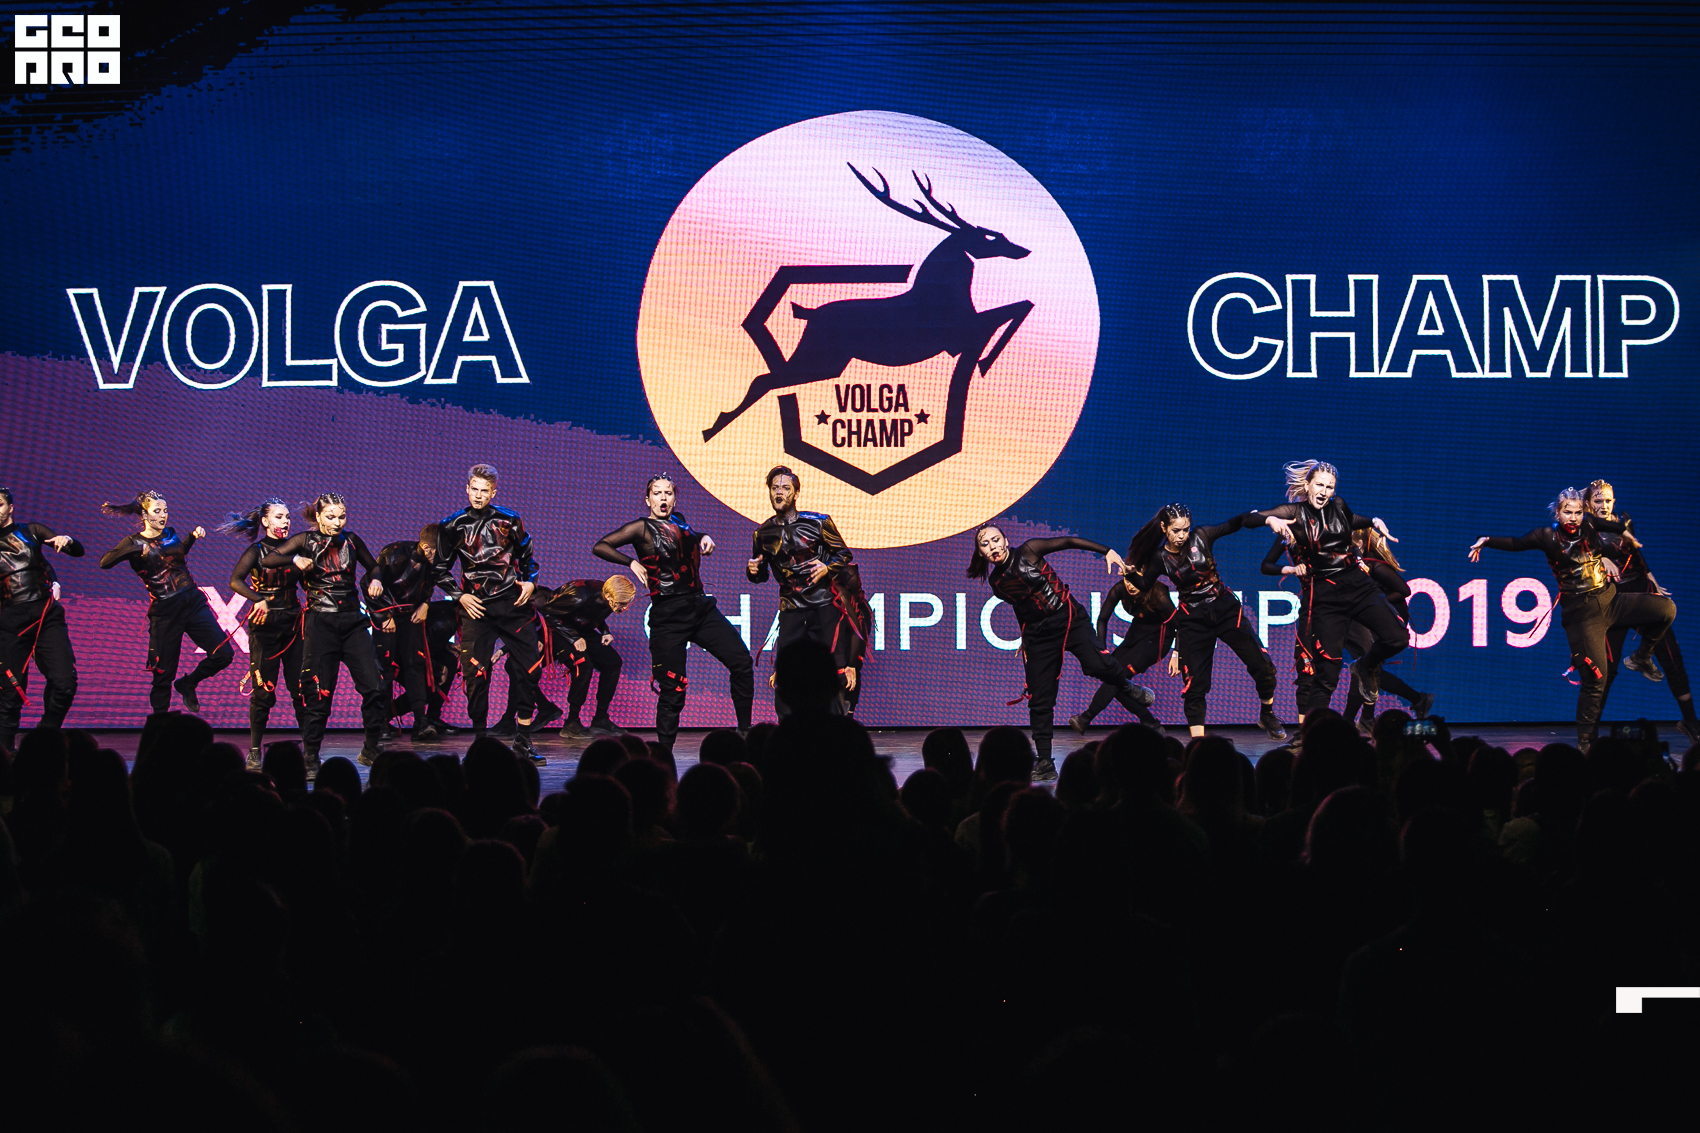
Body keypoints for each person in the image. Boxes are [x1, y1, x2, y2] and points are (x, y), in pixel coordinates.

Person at [1470, 486, 1675, 751]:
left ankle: (1641, 656)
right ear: (1557, 512)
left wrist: (1623, 531)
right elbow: (1516, 543)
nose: (1574, 518)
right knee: (1596, 679)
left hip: (1610, 601)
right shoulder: (1545, 536)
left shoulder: (1588, 524)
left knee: (1666, 610)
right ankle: (1586, 744)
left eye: (1578, 512)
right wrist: (1485, 540)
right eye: (1568, 512)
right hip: (1582, 615)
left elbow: (1606, 524)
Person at [967, 524, 1154, 781]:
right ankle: (1045, 762)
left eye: (996, 540)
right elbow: (1021, 606)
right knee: (1039, 698)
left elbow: (1068, 541)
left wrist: (1107, 551)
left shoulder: (1030, 550)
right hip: (1038, 635)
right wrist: (1025, 637)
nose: (993, 547)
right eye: (985, 544)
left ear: (1006, 541)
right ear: (981, 552)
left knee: (1097, 665)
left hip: (1068, 619)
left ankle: (1126, 685)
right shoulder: (996, 582)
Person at [594, 474, 754, 753]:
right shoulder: (640, 528)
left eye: (668, 493)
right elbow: (601, 546)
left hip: (699, 608)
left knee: (741, 661)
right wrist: (631, 562)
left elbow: (690, 534)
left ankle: (744, 732)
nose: (663, 498)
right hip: (668, 616)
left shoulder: (679, 520)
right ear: (648, 500)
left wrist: (704, 537)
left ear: (675, 498)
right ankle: (664, 754)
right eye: (657, 493)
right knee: (673, 687)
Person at [1250, 461, 1406, 722]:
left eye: (1329, 487)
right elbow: (1264, 556)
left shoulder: (1337, 513)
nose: (1323, 492)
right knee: (1318, 670)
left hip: (1353, 591)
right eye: (1319, 485)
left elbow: (1350, 522)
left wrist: (1373, 522)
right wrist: (1289, 564)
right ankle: (1308, 733)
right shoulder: (1291, 522)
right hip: (1320, 597)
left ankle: (1364, 697)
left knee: (1390, 643)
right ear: (1307, 486)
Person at [1121, 504, 1287, 740]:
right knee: (1194, 685)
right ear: (1164, 528)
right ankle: (1198, 744)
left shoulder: (1201, 536)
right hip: (1193, 620)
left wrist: (1266, 519)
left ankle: (1267, 714)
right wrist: (1129, 573)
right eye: (1176, 531)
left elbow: (1235, 522)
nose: (1181, 536)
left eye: (1185, 530)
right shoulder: (1160, 558)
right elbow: (1145, 584)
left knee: (1264, 666)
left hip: (1225, 610)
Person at [258, 493, 388, 772]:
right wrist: (294, 559)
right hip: (320, 623)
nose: (337, 522)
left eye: (342, 516)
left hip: (352, 622)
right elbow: (268, 560)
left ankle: (371, 749)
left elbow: (374, 565)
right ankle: (310, 757)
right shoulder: (304, 541)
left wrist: (376, 578)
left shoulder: (352, 541)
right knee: (318, 692)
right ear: (318, 517)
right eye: (330, 517)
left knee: (375, 686)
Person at [1261, 528, 1433, 734]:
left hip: (1357, 610)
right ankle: (1321, 730)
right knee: (1321, 669)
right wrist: (1290, 567)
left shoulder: (1367, 562)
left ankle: (1358, 719)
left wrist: (1372, 604)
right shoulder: (1292, 533)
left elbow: (1402, 590)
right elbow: (1267, 562)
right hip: (1327, 608)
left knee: (1368, 666)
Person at [431, 463, 546, 765]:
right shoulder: (452, 525)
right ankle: (480, 741)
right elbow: (439, 569)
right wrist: (460, 595)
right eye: (475, 489)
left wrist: (531, 583)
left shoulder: (510, 520)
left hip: (512, 604)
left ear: (494, 492)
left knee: (531, 669)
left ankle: (523, 739)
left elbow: (528, 559)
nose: (479, 495)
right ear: (467, 489)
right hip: (477, 607)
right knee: (476, 674)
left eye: (485, 491)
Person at [99, 490, 234, 715]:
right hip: (165, 612)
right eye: (157, 511)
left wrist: (192, 536)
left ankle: (188, 683)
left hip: (193, 603)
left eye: (165, 511)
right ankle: (160, 724)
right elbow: (105, 562)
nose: (163, 516)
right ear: (144, 514)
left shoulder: (170, 533)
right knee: (163, 674)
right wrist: (134, 548)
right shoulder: (133, 542)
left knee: (224, 654)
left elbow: (178, 555)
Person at [1586, 479, 1698, 744]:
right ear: (1589, 504)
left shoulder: (1623, 520)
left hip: (1640, 590)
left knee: (1671, 655)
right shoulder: (1585, 526)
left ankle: (1691, 722)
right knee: (1607, 669)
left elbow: (1635, 554)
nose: (1604, 505)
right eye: (1598, 500)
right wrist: (1600, 558)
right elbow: (1577, 554)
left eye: (1608, 500)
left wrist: (1650, 577)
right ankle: (1589, 734)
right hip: (1613, 599)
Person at [746, 465, 860, 715]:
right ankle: (788, 730)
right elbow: (761, 575)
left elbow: (844, 554)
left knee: (832, 671)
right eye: (775, 488)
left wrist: (827, 568)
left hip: (823, 606)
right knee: (786, 672)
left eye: (785, 488)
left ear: (796, 493)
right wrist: (753, 571)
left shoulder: (818, 523)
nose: (779, 492)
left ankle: (834, 729)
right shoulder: (762, 533)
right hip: (791, 608)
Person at [220, 498, 306, 769]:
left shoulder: (296, 549)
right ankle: (255, 749)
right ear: (266, 521)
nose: (286, 522)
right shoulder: (256, 551)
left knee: (301, 689)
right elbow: (235, 580)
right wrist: (258, 599)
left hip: (294, 625)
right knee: (263, 691)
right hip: (264, 628)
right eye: (279, 517)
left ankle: (310, 750)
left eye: (288, 517)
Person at [0, 488, 83, 751]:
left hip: (46, 616)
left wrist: (67, 540)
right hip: (9, 622)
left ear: (10, 508)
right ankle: (5, 757)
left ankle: (43, 739)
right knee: (10, 694)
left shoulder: (31, 531)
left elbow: (73, 552)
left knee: (65, 683)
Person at [365, 524, 445, 743]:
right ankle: (381, 721)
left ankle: (421, 721)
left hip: (411, 617)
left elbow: (428, 587)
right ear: (427, 548)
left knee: (415, 665)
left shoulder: (434, 565)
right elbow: (369, 585)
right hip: (388, 617)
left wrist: (426, 603)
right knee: (385, 669)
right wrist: (384, 615)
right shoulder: (394, 554)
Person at [533, 575, 635, 738]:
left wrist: (605, 631)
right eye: (621, 604)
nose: (624, 608)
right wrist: (574, 638)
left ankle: (601, 718)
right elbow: (549, 612)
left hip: (581, 629)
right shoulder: (579, 595)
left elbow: (594, 613)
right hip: (559, 629)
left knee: (613, 662)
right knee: (583, 664)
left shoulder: (609, 596)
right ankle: (572, 722)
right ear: (608, 596)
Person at [1067, 576, 1170, 735]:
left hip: (1157, 640)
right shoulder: (1119, 589)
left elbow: (1178, 622)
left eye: (1135, 581)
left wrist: (1178, 654)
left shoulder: (1158, 592)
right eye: (1128, 581)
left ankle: (1086, 718)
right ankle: (1150, 722)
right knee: (1113, 676)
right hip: (1135, 634)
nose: (1131, 586)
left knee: (1118, 676)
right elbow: (1102, 619)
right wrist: (1101, 650)